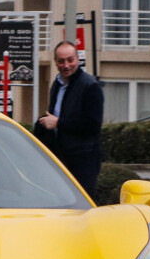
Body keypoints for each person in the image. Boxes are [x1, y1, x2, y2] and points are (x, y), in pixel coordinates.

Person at [34, 40, 104, 200]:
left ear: (77, 59)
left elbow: (92, 125)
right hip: (60, 158)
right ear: (55, 62)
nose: (66, 65)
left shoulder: (90, 86)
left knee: (81, 205)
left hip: (83, 161)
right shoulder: (57, 85)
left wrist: (58, 123)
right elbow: (55, 115)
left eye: (70, 60)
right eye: (61, 61)